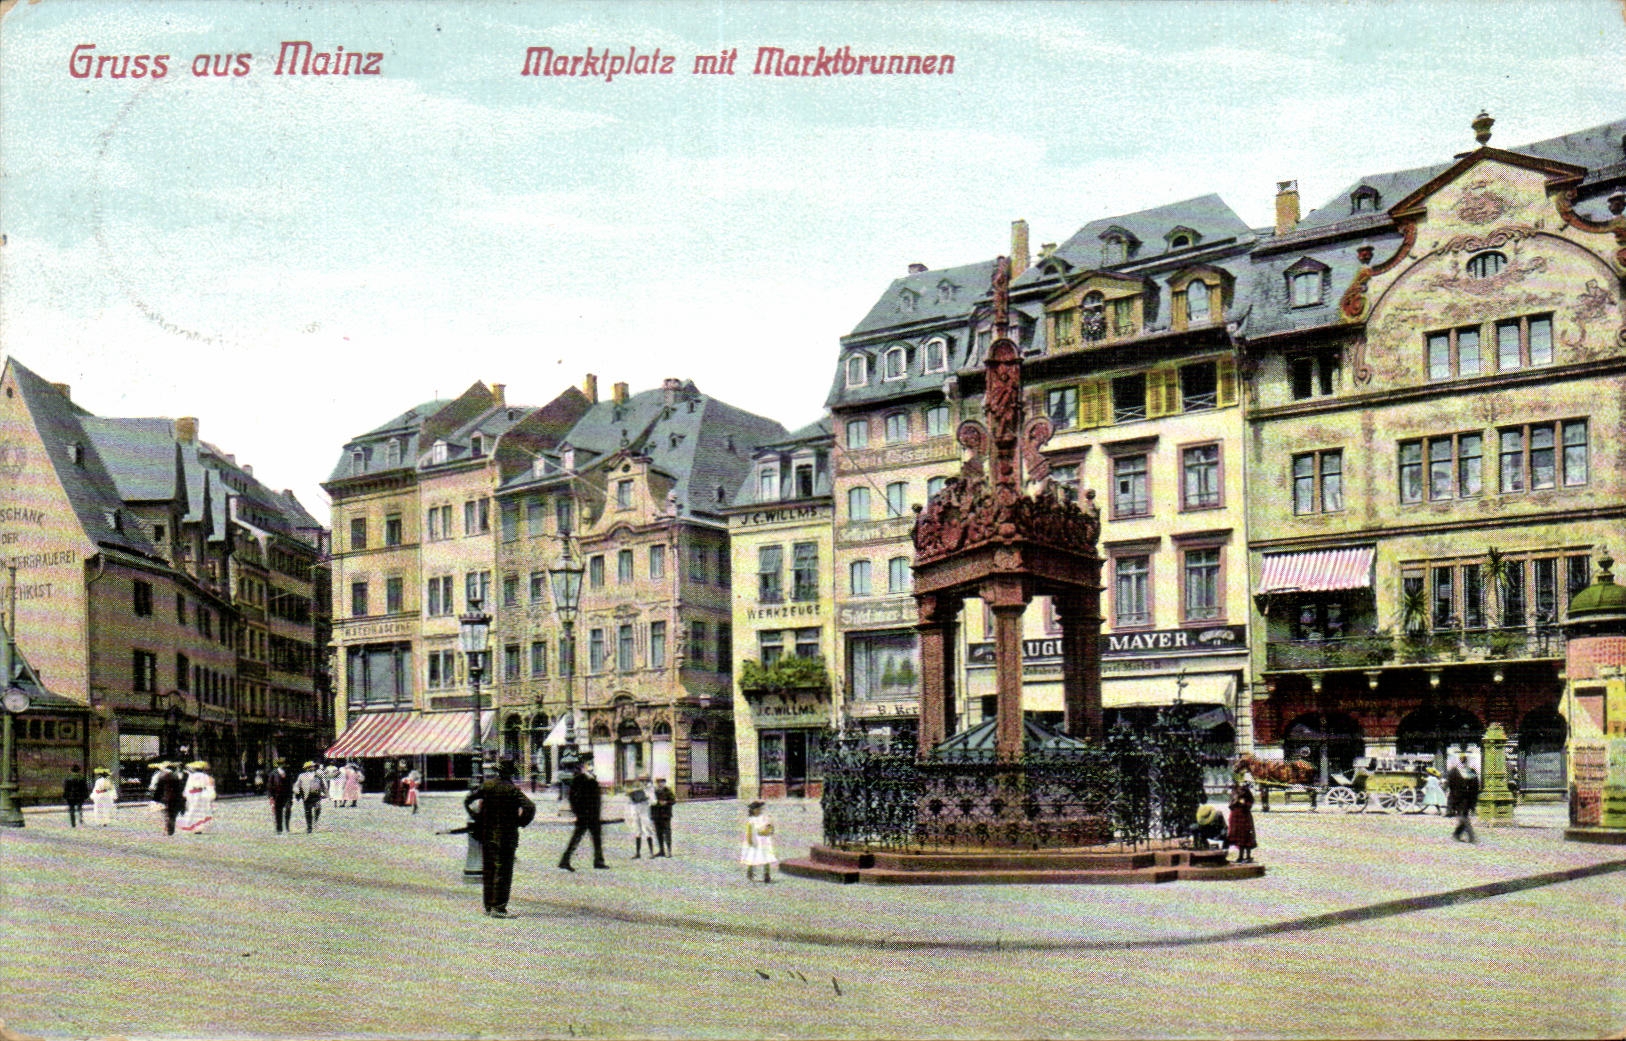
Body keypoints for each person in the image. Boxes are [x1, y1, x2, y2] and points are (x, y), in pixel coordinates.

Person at [466, 759, 537, 917]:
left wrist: (476, 817)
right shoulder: (512, 789)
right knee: (503, 871)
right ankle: (499, 907)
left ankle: (489, 906)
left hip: (487, 835)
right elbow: (530, 807)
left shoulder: (487, 786)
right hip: (506, 837)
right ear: (510, 773)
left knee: (489, 870)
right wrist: (520, 822)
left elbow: (468, 800)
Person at [558, 761, 607, 871]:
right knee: (576, 838)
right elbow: (573, 798)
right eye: (588, 765)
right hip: (584, 815)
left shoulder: (592, 778)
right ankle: (564, 860)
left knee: (597, 839)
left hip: (594, 815)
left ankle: (598, 861)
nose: (591, 767)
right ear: (582, 767)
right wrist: (578, 812)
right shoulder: (579, 779)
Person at [740, 800, 778, 883]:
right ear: (752, 810)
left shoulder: (765, 818)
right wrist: (749, 840)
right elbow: (749, 831)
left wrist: (770, 830)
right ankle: (750, 871)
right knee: (752, 856)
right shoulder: (751, 820)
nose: (758, 811)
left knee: (766, 856)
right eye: (756, 809)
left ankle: (767, 874)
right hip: (755, 840)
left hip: (764, 840)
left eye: (759, 809)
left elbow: (770, 826)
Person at [1448, 754, 1480, 843]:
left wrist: (1474, 801)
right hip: (1457, 798)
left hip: (1468, 799)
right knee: (1464, 817)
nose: (1463, 761)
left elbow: (1475, 786)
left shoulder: (1471, 771)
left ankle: (1456, 834)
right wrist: (1451, 802)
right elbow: (1451, 787)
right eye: (1461, 759)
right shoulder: (1454, 772)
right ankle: (1471, 836)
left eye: (1464, 759)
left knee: (1464, 816)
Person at [178, 761, 216, 833]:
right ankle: (199, 826)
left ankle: (190, 824)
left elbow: (188, 786)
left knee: (192, 809)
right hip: (201, 794)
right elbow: (208, 786)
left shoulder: (191, 776)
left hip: (192, 794)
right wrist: (210, 795)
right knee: (201, 811)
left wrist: (186, 794)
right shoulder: (205, 776)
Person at [151, 762, 186, 836]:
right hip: (175, 798)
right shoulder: (176, 777)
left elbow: (159, 790)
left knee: (166, 813)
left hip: (165, 798)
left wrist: (155, 799)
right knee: (173, 814)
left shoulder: (162, 776)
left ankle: (168, 827)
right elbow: (179, 789)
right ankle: (171, 827)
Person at [1227, 782, 1257, 863]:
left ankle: (1248, 855)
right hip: (1236, 817)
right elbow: (1230, 806)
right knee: (1238, 836)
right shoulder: (1234, 793)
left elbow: (1250, 804)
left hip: (1244, 816)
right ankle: (1240, 855)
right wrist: (1235, 801)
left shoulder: (1247, 793)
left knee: (1247, 835)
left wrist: (1244, 804)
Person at [294, 761, 327, 833]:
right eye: (311, 766)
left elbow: (323, 784)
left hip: (316, 795)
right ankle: (309, 827)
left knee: (318, 808)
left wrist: (325, 793)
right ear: (307, 768)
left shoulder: (318, 775)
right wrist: (297, 791)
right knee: (308, 812)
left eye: (313, 766)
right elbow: (297, 785)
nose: (313, 767)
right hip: (307, 796)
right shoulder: (302, 776)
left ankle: (315, 820)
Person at [627, 776, 656, 859]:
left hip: (644, 810)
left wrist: (646, 799)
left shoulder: (650, 789)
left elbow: (654, 801)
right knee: (637, 830)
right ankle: (637, 853)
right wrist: (632, 798)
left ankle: (651, 852)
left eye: (645, 781)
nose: (643, 782)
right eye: (641, 781)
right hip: (635, 810)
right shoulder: (636, 788)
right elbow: (629, 801)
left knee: (647, 829)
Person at [651, 777, 675, 857]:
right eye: (658, 782)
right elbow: (650, 802)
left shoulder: (668, 791)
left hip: (666, 815)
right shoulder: (654, 791)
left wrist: (666, 802)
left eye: (662, 782)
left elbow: (673, 801)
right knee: (658, 833)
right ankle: (661, 850)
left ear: (664, 783)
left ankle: (669, 850)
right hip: (656, 815)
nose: (660, 784)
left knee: (667, 833)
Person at [266, 761, 294, 833]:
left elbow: (290, 784)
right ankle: (279, 829)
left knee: (288, 809)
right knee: (278, 812)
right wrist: (270, 796)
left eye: (283, 764)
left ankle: (287, 826)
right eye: (280, 764)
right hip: (277, 796)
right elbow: (269, 785)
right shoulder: (273, 773)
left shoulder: (288, 772)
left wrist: (291, 795)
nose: (282, 765)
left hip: (286, 795)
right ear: (278, 765)